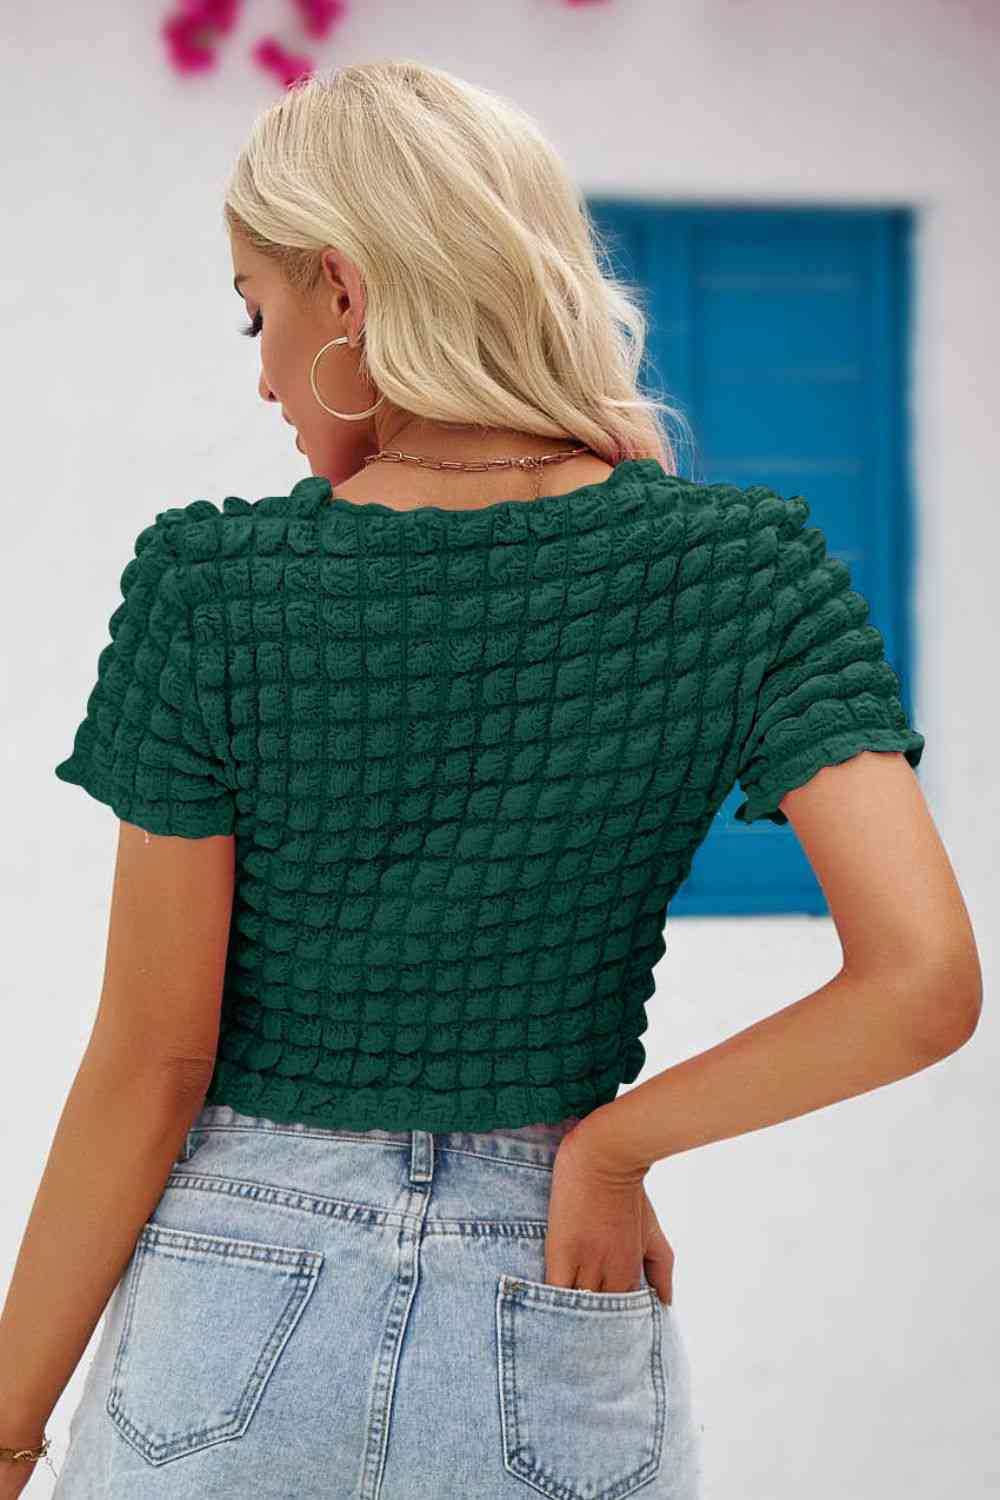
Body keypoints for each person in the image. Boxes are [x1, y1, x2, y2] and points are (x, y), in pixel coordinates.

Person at [0, 60, 980, 1500]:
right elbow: (924, 982)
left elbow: (154, 1063)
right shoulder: (748, 572)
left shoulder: (214, 587)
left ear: (344, 292)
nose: (261, 373)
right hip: (551, 1280)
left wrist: (9, 1424)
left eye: (257, 313)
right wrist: (613, 1153)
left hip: (236, 1286)